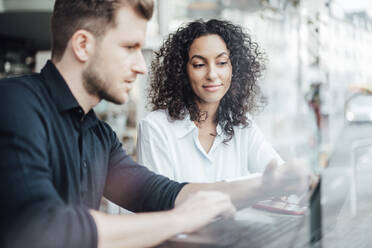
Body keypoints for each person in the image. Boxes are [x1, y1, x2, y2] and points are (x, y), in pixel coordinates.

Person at [0, 1, 312, 248]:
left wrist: (267, 185)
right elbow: (43, 228)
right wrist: (180, 220)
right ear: (83, 45)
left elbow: (164, 193)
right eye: (129, 47)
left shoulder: (98, 135)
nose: (140, 66)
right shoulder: (14, 104)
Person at [137, 19, 283, 183]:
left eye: (221, 63)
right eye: (199, 65)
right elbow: (161, 202)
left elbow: (278, 172)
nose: (212, 74)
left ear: (233, 68)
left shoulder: (242, 125)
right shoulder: (156, 128)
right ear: (182, 71)